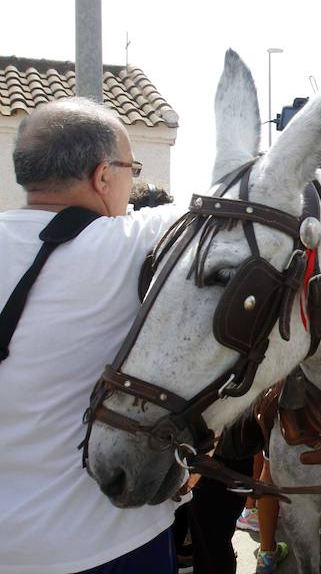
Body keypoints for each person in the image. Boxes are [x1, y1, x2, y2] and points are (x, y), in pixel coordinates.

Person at [0, 97, 183, 573]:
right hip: (107, 543)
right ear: (104, 177)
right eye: (131, 168)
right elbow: (253, 200)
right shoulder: (126, 244)